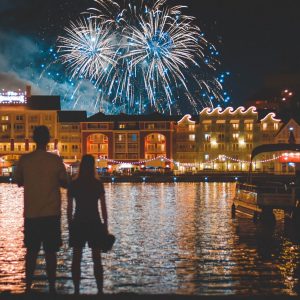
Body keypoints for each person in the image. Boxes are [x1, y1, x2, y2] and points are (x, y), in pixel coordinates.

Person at [14, 125, 69, 293]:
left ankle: (28, 287)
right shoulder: (55, 160)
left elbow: (18, 181)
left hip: (31, 213)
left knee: (31, 252)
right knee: (51, 252)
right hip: (51, 213)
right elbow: (65, 182)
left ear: (33, 139)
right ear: (48, 140)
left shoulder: (24, 160)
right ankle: (52, 287)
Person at [67, 154, 108, 295]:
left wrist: (69, 223)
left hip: (78, 221)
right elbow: (103, 207)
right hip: (94, 221)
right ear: (93, 166)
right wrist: (105, 225)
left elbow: (69, 207)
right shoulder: (97, 184)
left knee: (76, 258)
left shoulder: (74, 183)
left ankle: (77, 290)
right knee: (97, 258)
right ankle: (100, 290)